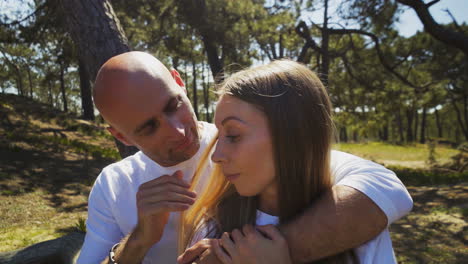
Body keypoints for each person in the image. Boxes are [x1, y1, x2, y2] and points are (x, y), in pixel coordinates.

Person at [76, 51, 413, 264]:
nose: (178, 132)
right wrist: (139, 240)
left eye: (173, 105)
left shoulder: (263, 150)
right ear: (121, 137)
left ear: (180, 83)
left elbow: (384, 188)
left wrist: (252, 255)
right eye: (149, 127)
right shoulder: (113, 186)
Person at [179, 60, 402, 264]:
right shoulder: (213, 230)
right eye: (219, 135)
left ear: (292, 134)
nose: (216, 156)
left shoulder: (359, 227)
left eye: (234, 135)